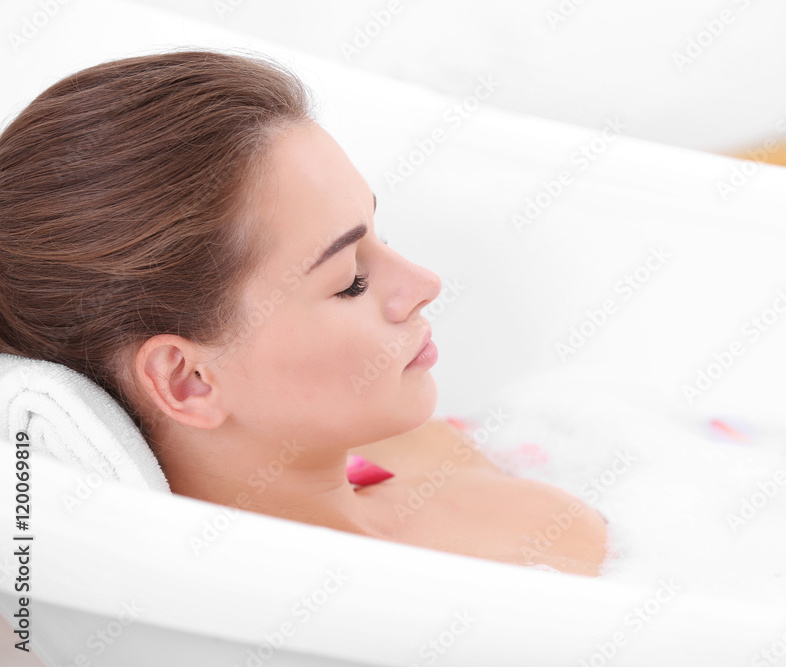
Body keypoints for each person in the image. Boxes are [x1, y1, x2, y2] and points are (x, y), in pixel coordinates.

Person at [0, 49, 610, 576]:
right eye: (351, 281)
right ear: (188, 380)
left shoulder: (404, 445)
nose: (425, 283)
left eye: (382, 234)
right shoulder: (523, 543)